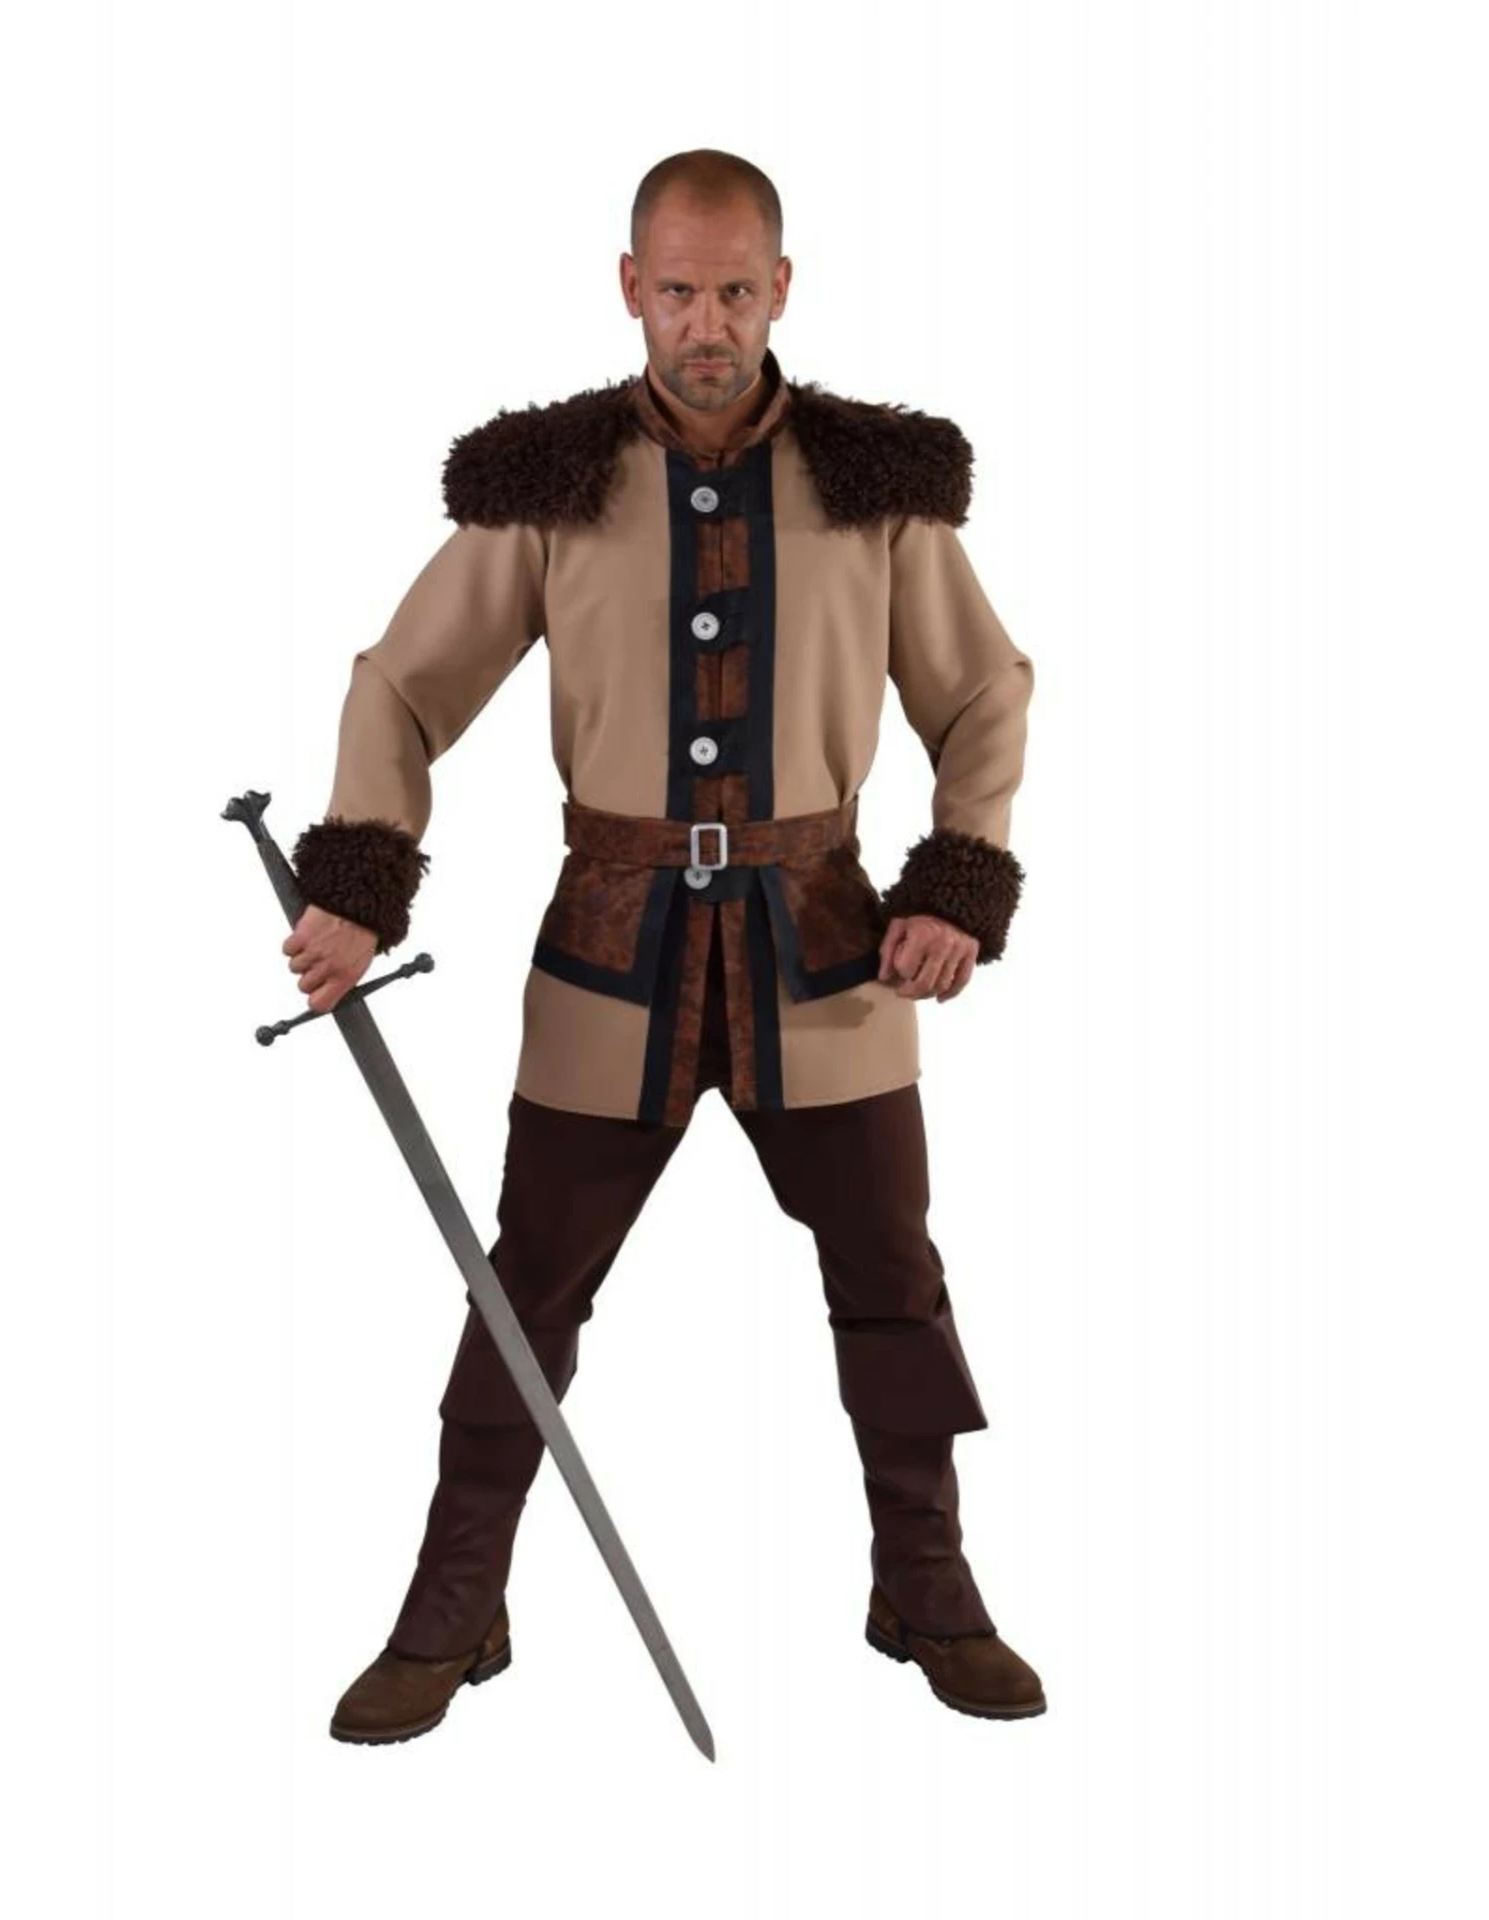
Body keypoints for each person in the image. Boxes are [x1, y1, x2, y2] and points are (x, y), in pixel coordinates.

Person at [283, 148, 1046, 1744]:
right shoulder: (550, 481)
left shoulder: (877, 482)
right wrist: (360, 877)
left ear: (783, 289)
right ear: (632, 286)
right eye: (681, 289)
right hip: (609, 953)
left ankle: (927, 1583)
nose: (709, 323)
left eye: (737, 290)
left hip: (828, 954)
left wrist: (956, 882)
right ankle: (454, 1603)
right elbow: (402, 685)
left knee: (893, 1280)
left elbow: (983, 690)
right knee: (528, 1289)